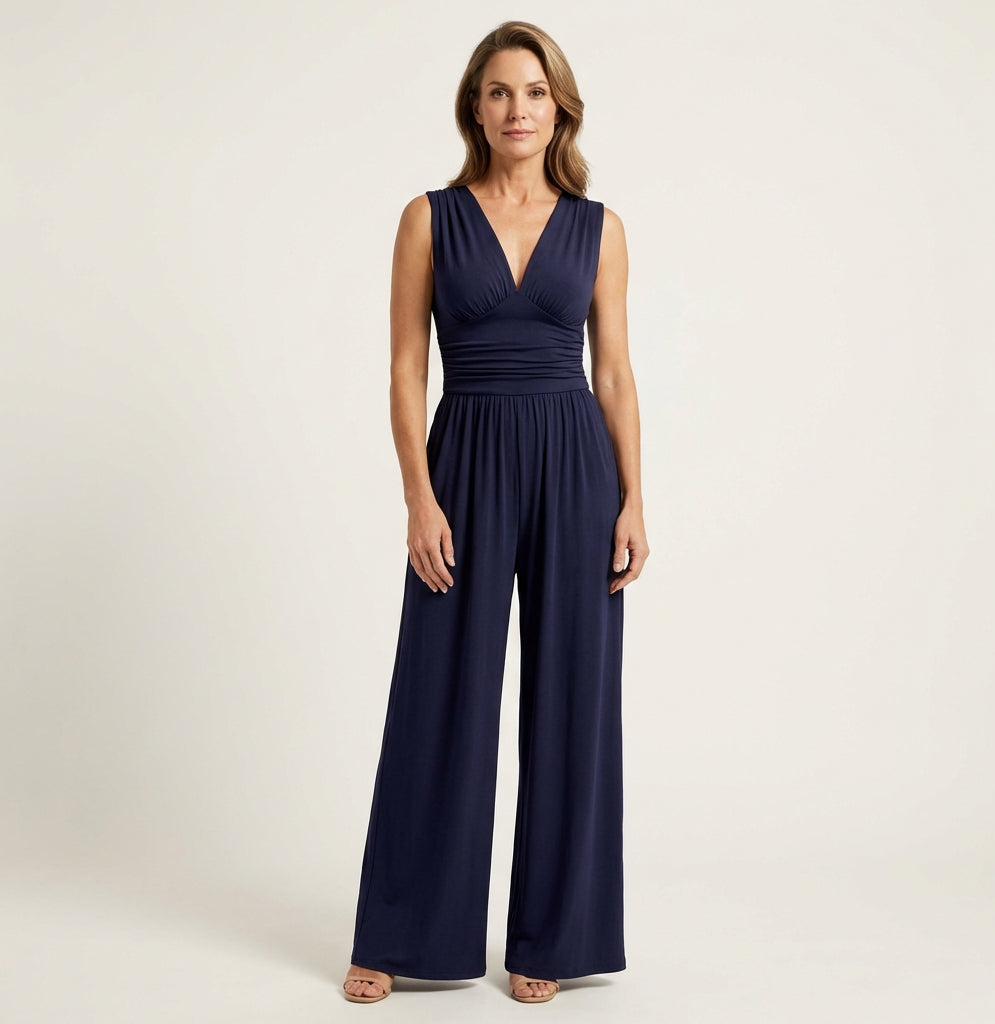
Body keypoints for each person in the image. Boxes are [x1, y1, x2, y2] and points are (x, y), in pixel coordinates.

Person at [342, 20, 649, 1005]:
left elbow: (614, 371)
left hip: (574, 463)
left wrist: (634, 499)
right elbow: (405, 369)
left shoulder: (598, 227)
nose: (519, 109)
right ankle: (401, 933)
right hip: (465, 459)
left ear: (560, 108)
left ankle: (550, 938)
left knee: (573, 701)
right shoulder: (429, 218)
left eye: (535, 91)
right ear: (475, 109)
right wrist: (418, 495)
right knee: (439, 695)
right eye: (500, 92)